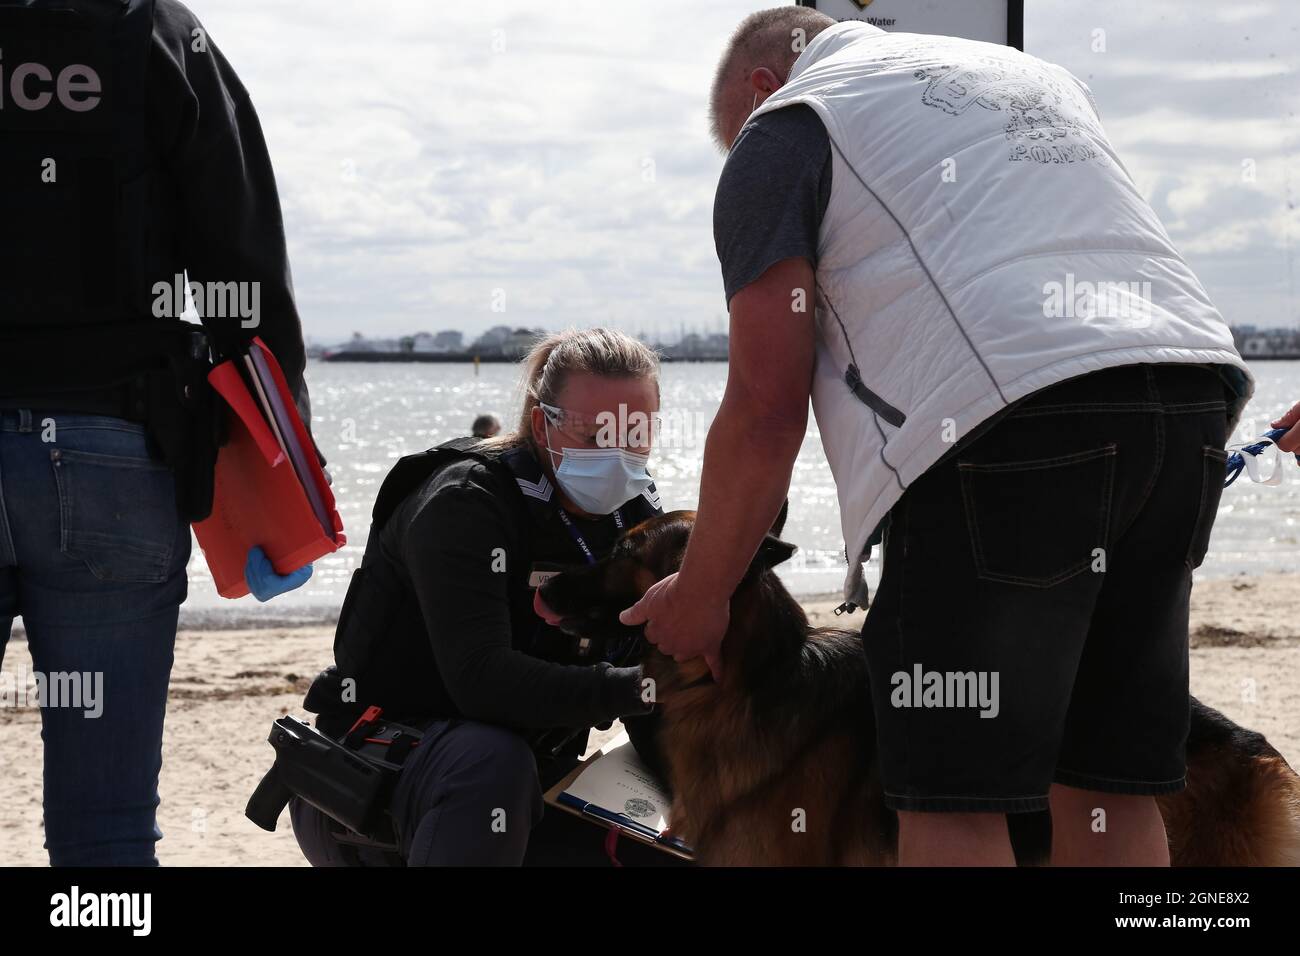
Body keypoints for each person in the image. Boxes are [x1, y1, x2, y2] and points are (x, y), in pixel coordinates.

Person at [621, 8, 1288, 867]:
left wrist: (702, 593)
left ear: (762, 84)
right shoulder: (1034, 80)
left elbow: (764, 407)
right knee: (1107, 788)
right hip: (1188, 399)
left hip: (1006, 428)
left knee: (950, 798)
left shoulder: (789, 125)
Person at [0, 0, 316, 865]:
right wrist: (278, 477)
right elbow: (243, 275)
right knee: (106, 829)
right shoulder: (163, 36)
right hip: (114, 445)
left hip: (115, 431)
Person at [289, 328, 678, 866]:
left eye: (636, 435)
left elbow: (653, 670)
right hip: (372, 775)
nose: (620, 453)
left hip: (531, 779)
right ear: (542, 425)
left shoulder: (635, 518)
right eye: (596, 436)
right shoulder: (466, 502)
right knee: (492, 761)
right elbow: (481, 681)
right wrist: (648, 688)